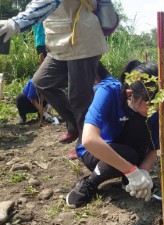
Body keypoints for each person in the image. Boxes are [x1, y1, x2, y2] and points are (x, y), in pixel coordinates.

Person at [0, 0, 108, 144]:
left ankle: (86, 144)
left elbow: (48, 2)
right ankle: (75, 125)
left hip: (82, 40)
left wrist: (16, 23)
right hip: (58, 43)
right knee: (41, 82)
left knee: (79, 97)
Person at [66, 60, 164, 208]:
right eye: (152, 104)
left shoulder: (154, 111)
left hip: (129, 152)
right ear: (130, 94)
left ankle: (126, 178)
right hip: (96, 151)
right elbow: (89, 140)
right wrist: (132, 171)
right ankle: (91, 182)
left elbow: (152, 150)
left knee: (136, 140)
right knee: (128, 155)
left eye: (162, 104)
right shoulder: (109, 91)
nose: (157, 109)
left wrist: (143, 172)